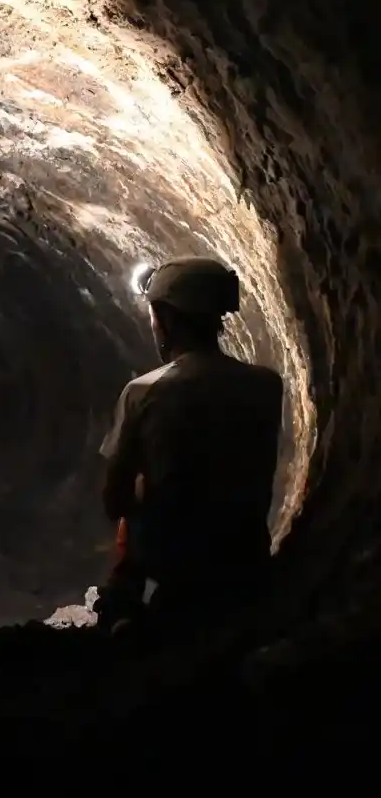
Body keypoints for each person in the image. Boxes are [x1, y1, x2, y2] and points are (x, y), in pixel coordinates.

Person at [95, 256, 283, 640]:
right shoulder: (266, 384)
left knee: (135, 509)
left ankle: (121, 611)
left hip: (180, 564)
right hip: (246, 557)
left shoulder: (144, 392)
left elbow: (113, 501)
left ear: (164, 318)